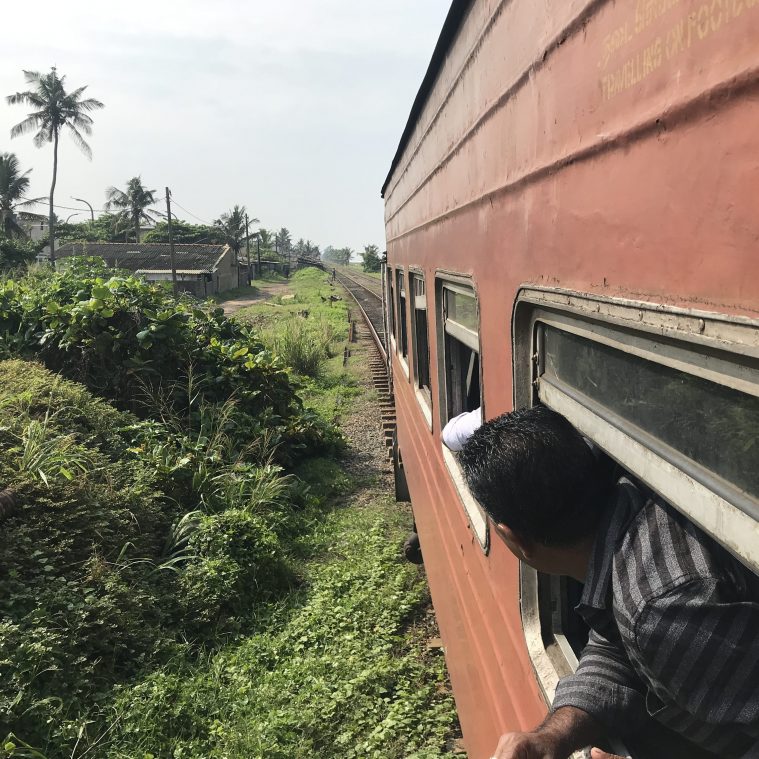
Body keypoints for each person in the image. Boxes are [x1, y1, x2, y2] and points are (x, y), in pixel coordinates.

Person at [458, 405, 759, 759]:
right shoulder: (628, 523)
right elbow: (618, 645)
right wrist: (554, 735)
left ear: (514, 538)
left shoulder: (662, 609)